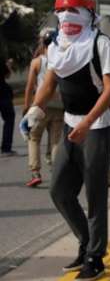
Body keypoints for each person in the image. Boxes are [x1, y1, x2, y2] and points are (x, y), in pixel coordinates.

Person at [20, 0, 110, 281]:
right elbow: (49, 82)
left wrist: (88, 122)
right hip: (69, 124)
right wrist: (34, 110)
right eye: (62, 11)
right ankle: (86, 242)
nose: (67, 17)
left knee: (95, 193)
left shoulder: (101, 45)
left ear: (89, 14)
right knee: (60, 190)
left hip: (96, 126)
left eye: (74, 10)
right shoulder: (57, 46)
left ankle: (96, 256)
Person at [22, 29, 64, 187]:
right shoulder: (61, 60)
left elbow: (29, 86)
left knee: (33, 137)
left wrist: (27, 106)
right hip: (59, 106)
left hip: (40, 106)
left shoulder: (37, 62)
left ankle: (35, 172)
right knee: (55, 141)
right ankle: (55, 172)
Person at [0, 55, 15, 157]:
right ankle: (6, 148)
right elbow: (7, 75)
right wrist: (8, 65)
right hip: (2, 92)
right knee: (9, 118)